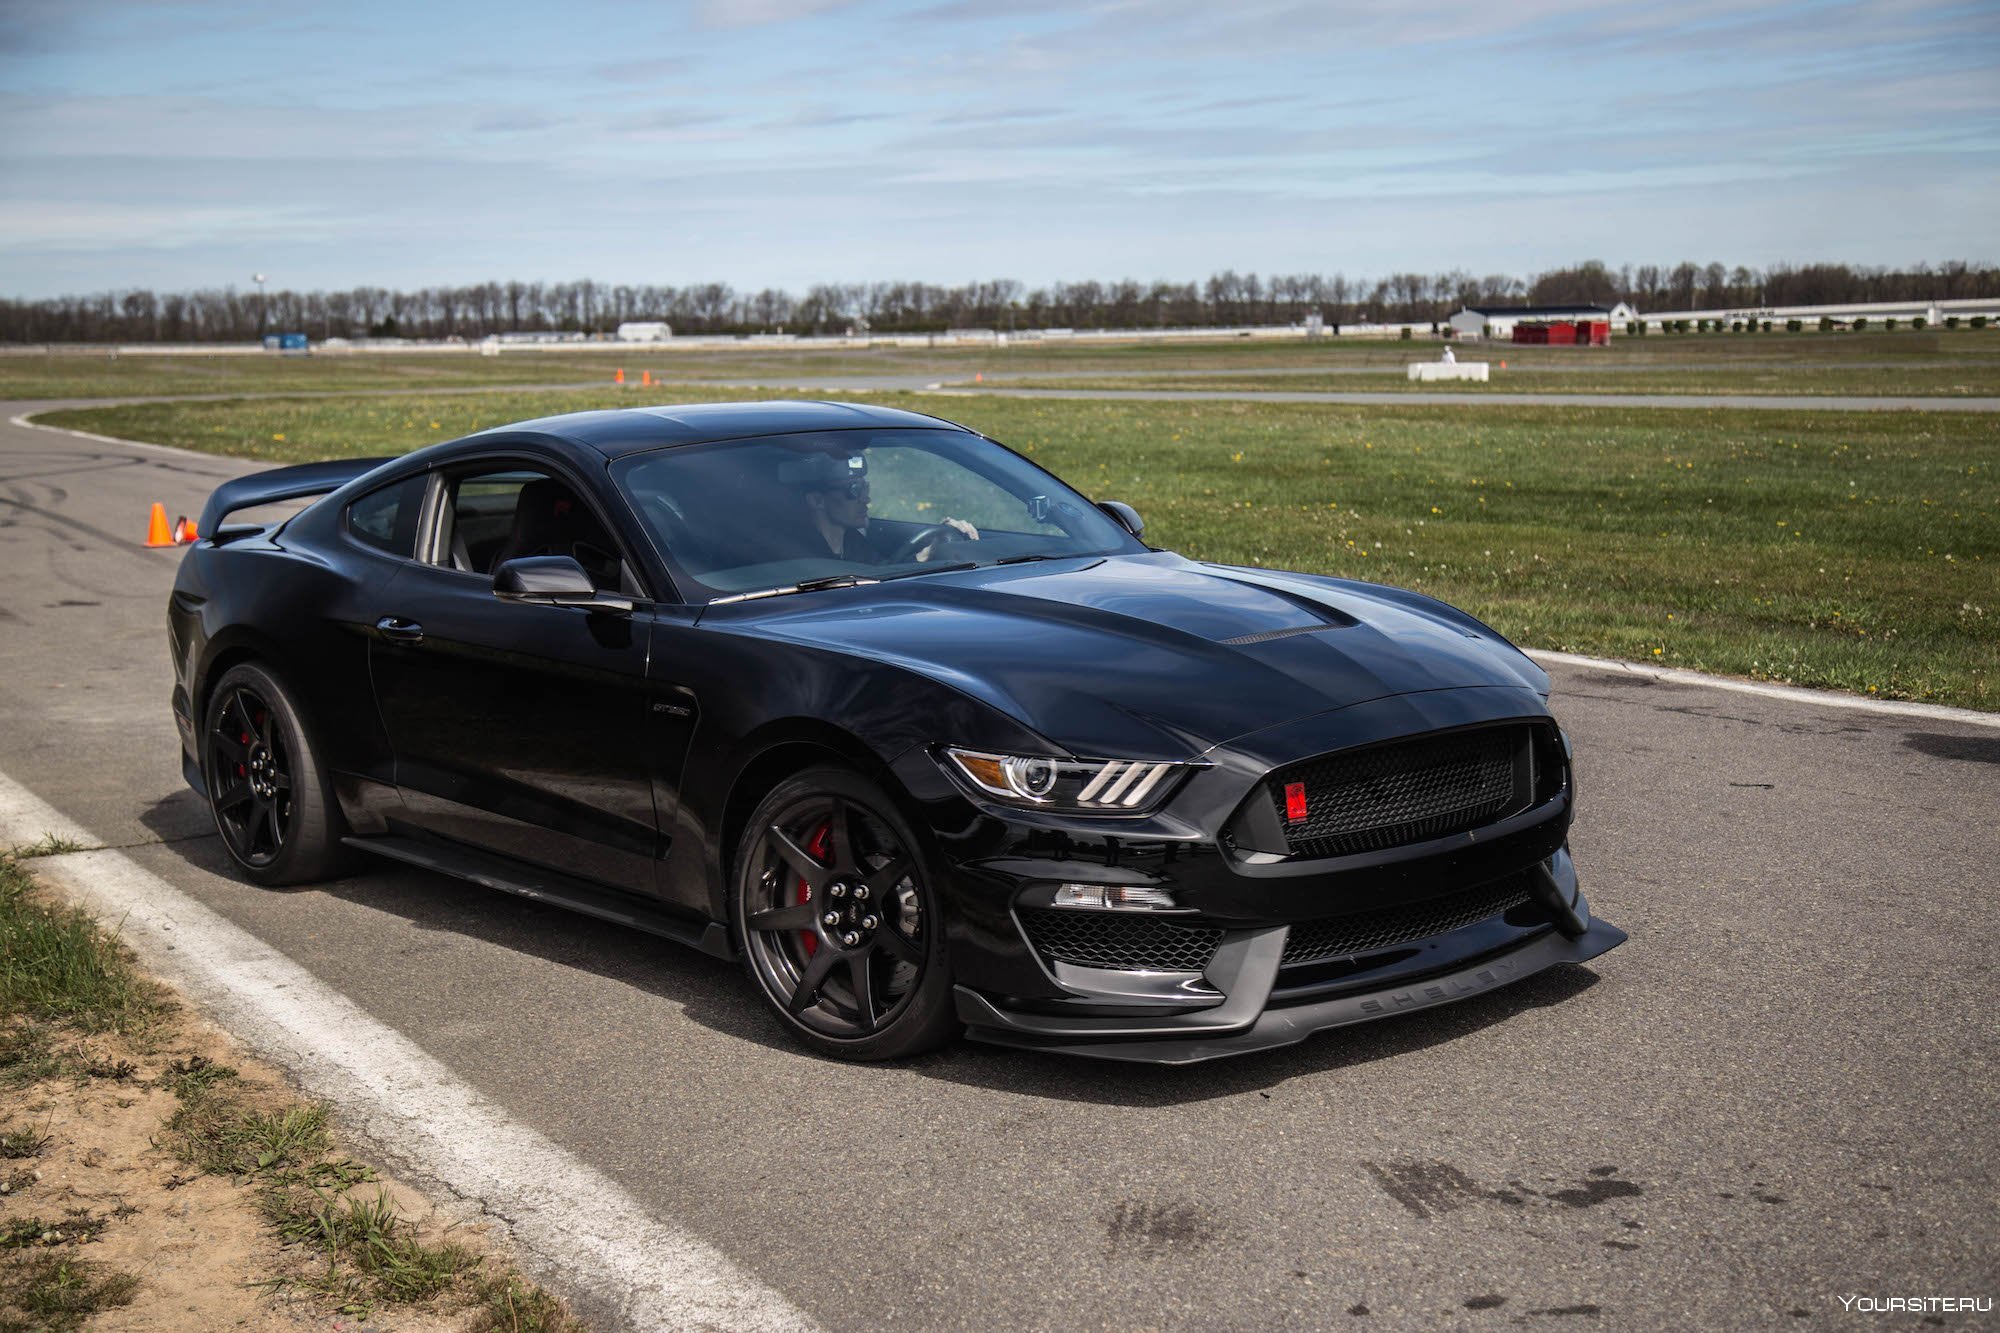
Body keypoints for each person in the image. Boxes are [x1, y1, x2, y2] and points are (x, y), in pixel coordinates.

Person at [783, 452, 977, 563]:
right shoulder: (795, 553)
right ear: (817, 501)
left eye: (865, 487)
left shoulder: (854, 543)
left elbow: (883, 572)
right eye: (854, 489)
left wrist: (932, 549)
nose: (866, 498)